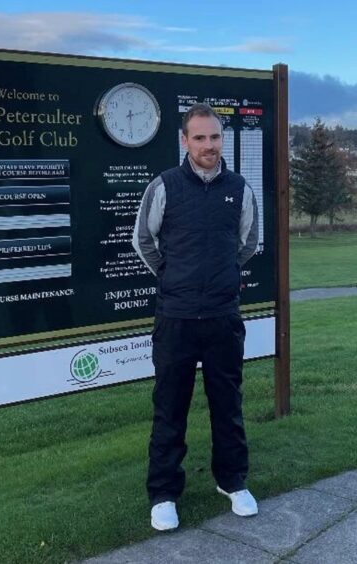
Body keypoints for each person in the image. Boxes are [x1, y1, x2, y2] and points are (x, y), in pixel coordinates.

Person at [132, 103, 259, 531]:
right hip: (177, 318)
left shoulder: (240, 188)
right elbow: (143, 240)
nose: (208, 145)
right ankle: (164, 493)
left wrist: (224, 275)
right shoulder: (165, 186)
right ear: (185, 141)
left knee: (228, 404)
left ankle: (233, 481)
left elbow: (247, 244)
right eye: (199, 137)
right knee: (170, 407)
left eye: (215, 137)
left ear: (222, 140)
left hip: (223, 317)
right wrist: (171, 274)